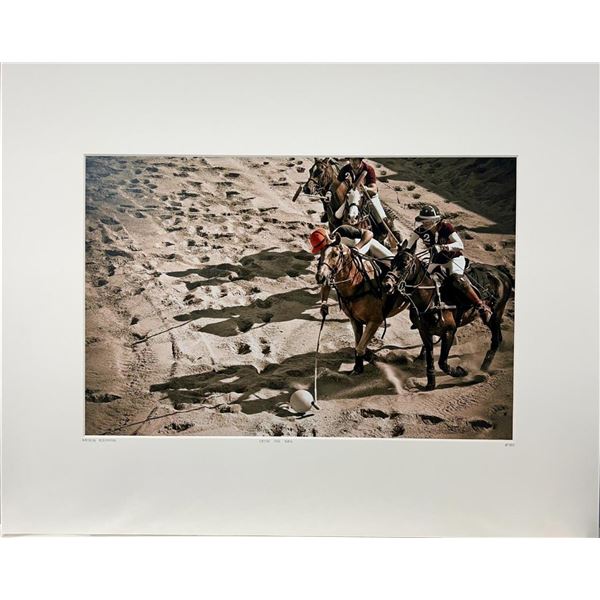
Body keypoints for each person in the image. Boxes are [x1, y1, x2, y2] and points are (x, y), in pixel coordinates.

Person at [406, 205, 492, 323]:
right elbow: (409, 245)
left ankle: (480, 305)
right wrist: (404, 251)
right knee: (419, 280)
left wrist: (443, 247)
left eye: (426, 221)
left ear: (435, 220)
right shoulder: (420, 231)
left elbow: (460, 245)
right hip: (436, 261)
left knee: (457, 279)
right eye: (422, 221)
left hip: (453, 259)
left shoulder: (446, 227)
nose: (423, 223)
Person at [309, 225, 393, 318]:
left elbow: (369, 233)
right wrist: (324, 302)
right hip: (353, 255)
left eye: (322, 247)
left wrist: (357, 247)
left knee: (394, 262)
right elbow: (326, 281)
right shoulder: (326, 255)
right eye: (320, 250)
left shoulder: (342, 230)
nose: (322, 251)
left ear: (327, 239)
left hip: (367, 245)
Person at [334, 158, 398, 244]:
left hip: (369, 197)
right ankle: (336, 231)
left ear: (360, 160)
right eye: (351, 159)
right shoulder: (345, 169)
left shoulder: (369, 169)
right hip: (352, 197)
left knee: (381, 217)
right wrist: (329, 192)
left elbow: (374, 189)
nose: (352, 162)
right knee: (337, 215)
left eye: (355, 160)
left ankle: (384, 233)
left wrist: (366, 188)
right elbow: (336, 184)